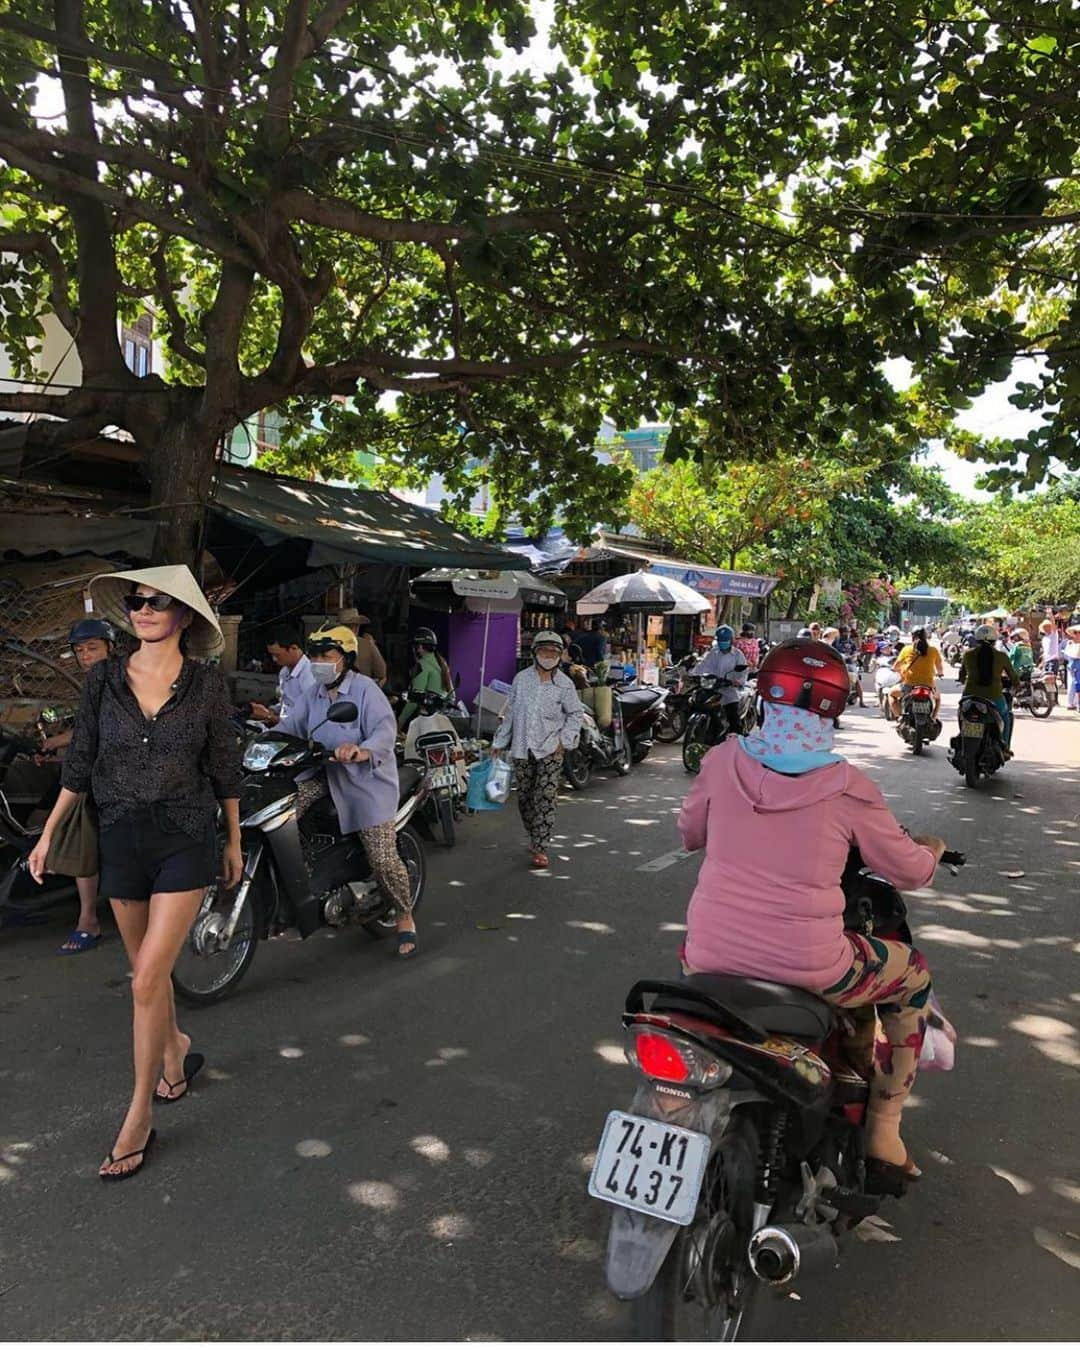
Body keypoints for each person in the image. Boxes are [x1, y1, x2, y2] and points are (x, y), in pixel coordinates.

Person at [678, 638, 946, 1190]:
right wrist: (933, 850)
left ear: (763, 693)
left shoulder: (723, 758)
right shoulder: (848, 788)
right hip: (815, 967)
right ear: (835, 707)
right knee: (913, 972)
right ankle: (884, 1129)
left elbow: (690, 834)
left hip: (706, 957)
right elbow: (912, 871)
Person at [28, 566, 242, 1181]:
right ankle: (173, 1052)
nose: (144, 610)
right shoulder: (103, 680)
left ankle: (139, 1113)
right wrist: (48, 834)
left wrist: (230, 841)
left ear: (183, 619)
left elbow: (224, 767)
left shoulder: (205, 685)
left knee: (147, 979)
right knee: (146, 973)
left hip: (184, 836)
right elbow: (82, 759)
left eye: (158, 603)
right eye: (139, 602)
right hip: (120, 834)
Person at [276, 626, 418, 957]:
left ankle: (404, 916)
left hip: (364, 781)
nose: (318, 663)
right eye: (314, 656)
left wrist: (361, 750)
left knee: (382, 858)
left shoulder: (366, 691)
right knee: (283, 814)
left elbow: (385, 731)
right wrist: (264, 737)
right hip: (323, 774)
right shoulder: (313, 695)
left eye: (326, 656)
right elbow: (290, 727)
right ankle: (309, 886)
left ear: (346, 659)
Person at [34, 618, 116, 955]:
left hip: (115, 778)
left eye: (92, 648)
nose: (85, 655)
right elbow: (85, 734)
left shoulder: (117, 682)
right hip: (90, 773)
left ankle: (89, 921)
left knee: (81, 835)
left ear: (110, 648)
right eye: (80, 650)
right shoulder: (94, 684)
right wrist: (54, 747)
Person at [491, 631, 583, 869]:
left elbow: (575, 713)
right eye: (544, 651)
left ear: (560, 656)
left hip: (550, 749)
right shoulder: (521, 679)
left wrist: (565, 741)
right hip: (522, 748)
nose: (549, 656)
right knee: (525, 798)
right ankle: (534, 834)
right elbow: (510, 712)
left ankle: (541, 846)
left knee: (545, 798)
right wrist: (499, 743)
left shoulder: (565, 684)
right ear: (535, 654)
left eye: (554, 652)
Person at [960, 623, 1019, 753]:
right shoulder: (1001, 656)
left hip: (969, 696)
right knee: (1006, 716)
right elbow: (1013, 677)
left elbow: (962, 675)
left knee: (963, 715)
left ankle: (962, 736)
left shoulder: (968, 654)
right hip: (995, 698)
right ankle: (1004, 747)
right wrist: (1017, 685)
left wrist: (963, 680)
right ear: (994, 639)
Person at [250, 623, 317, 725]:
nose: (274, 659)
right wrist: (269, 711)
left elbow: (307, 719)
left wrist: (269, 716)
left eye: (277, 655)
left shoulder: (309, 674)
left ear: (293, 648)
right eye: (272, 655)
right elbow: (285, 705)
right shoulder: (284, 672)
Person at [694, 625, 750, 733]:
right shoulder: (713, 653)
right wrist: (694, 674)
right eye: (720, 640)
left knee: (733, 719)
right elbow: (703, 665)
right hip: (712, 688)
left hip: (729, 690)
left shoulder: (738, 655)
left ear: (731, 640)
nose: (722, 643)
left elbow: (743, 672)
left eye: (725, 640)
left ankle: (737, 740)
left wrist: (737, 682)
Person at [397, 627, 454, 730]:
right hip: (442, 721)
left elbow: (415, 698)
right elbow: (452, 695)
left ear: (419, 647)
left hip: (427, 720)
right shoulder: (441, 663)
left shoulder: (423, 665)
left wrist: (399, 722)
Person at [889, 627, 945, 716]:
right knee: (938, 699)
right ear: (926, 637)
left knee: (891, 694)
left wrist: (894, 669)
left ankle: (899, 717)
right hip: (929, 686)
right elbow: (939, 667)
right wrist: (940, 674)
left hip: (909, 686)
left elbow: (896, 665)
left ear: (912, 637)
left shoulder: (906, 649)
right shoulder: (933, 650)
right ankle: (933, 718)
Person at [338, 609, 388, 685]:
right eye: (351, 625)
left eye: (356, 625)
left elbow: (381, 673)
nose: (356, 628)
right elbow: (381, 673)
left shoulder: (366, 643)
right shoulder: (367, 644)